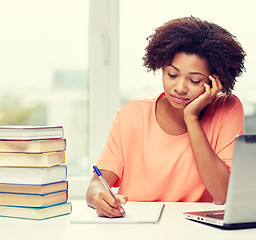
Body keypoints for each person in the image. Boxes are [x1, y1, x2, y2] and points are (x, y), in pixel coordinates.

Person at [86, 16, 246, 218]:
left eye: (195, 80)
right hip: (137, 228)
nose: (179, 87)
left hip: (195, 230)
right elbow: (95, 186)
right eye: (172, 75)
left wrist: (191, 118)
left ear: (215, 81)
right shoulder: (131, 115)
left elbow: (222, 194)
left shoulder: (227, 109)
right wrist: (99, 198)